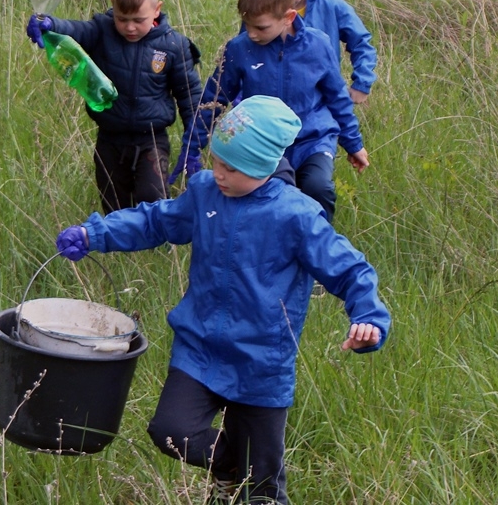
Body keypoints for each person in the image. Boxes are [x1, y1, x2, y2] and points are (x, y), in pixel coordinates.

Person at [55, 95, 391, 505]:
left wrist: (369, 319)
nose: (219, 174)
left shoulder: (297, 216)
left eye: (232, 168)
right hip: (199, 349)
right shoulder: (204, 193)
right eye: (216, 161)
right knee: (170, 431)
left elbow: (351, 270)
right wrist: (96, 234)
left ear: (266, 166)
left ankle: (249, 482)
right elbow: (156, 221)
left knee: (263, 491)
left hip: (261, 362)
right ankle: (233, 469)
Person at [26, 0, 208, 213]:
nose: (130, 27)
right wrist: (50, 24)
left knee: (152, 196)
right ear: (113, 4)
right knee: (113, 202)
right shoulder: (102, 31)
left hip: (152, 140)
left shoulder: (173, 46)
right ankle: (120, 250)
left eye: (138, 20)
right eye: (122, 19)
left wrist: (194, 142)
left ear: (157, 10)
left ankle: (157, 242)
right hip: (109, 138)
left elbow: (189, 95)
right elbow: (75, 30)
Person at [200, 0, 370, 224]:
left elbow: (338, 98)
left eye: (260, 27)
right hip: (264, 144)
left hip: (313, 139)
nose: (251, 33)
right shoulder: (239, 49)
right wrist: (193, 147)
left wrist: (353, 144)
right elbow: (214, 98)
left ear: (289, 16)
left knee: (318, 189)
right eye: (246, 24)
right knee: (275, 195)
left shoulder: (318, 45)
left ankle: (318, 250)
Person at [268, 0, 377, 105]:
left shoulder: (332, 6)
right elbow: (245, 52)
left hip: (324, 105)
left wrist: (362, 83)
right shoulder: (263, 9)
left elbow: (361, 42)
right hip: (274, 103)